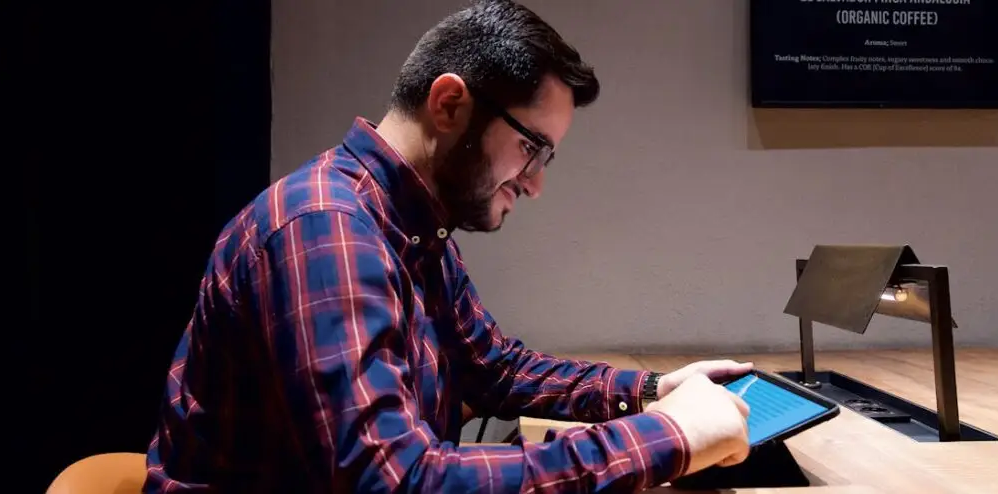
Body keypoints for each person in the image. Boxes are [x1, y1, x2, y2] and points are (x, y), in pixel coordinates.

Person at [144, 0, 753, 492]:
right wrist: (667, 437)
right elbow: (395, 480)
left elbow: (495, 367)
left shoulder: (411, 227)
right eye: (532, 148)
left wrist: (650, 392)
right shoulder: (326, 229)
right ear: (449, 104)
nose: (536, 184)